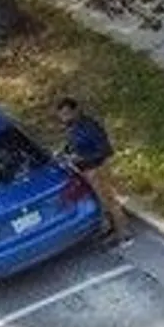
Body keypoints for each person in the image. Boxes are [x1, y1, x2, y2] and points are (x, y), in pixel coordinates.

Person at [53, 95, 124, 240]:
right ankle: (111, 229)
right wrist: (66, 153)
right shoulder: (72, 128)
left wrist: (82, 158)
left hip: (97, 167)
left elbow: (105, 149)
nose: (64, 118)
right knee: (101, 201)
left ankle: (124, 233)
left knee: (109, 200)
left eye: (67, 113)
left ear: (75, 111)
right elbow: (74, 145)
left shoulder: (89, 126)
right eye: (61, 115)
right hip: (86, 169)